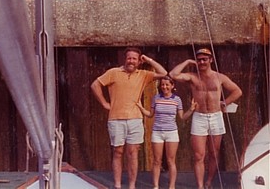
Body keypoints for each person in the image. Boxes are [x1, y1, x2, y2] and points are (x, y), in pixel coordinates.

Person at [90, 47, 167, 189]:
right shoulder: (113, 72)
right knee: (118, 152)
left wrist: (148, 60)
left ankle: (132, 186)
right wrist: (104, 103)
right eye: (129, 58)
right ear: (125, 59)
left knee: (132, 153)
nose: (131, 61)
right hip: (115, 119)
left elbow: (164, 73)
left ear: (139, 61)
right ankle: (117, 185)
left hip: (135, 120)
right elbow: (95, 85)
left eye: (134, 59)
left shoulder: (143, 74)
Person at [169, 48, 242, 189]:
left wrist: (224, 103)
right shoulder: (192, 76)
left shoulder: (219, 77)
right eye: (199, 59)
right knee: (199, 155)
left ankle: (209, 181)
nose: (202, 62)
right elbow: (173, 74)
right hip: (199, 117)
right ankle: (200, 186)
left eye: (205, 59)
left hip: (216, 116)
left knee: (214, 154)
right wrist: (187, 61)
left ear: (211, 60)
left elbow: (237, 91)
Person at [137, 76, 197, 189]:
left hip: (171, 133)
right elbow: (150, 114)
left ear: (172, 86)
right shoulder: (156, 98)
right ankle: (155, 186)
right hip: (157, 132)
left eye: (167, 85)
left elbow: (182, 117)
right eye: (163, 85)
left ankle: (172, 186)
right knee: (156, 161)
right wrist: (140, 107)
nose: (164, 87)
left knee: (170, 161)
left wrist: (191, 109)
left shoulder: (177, 100)